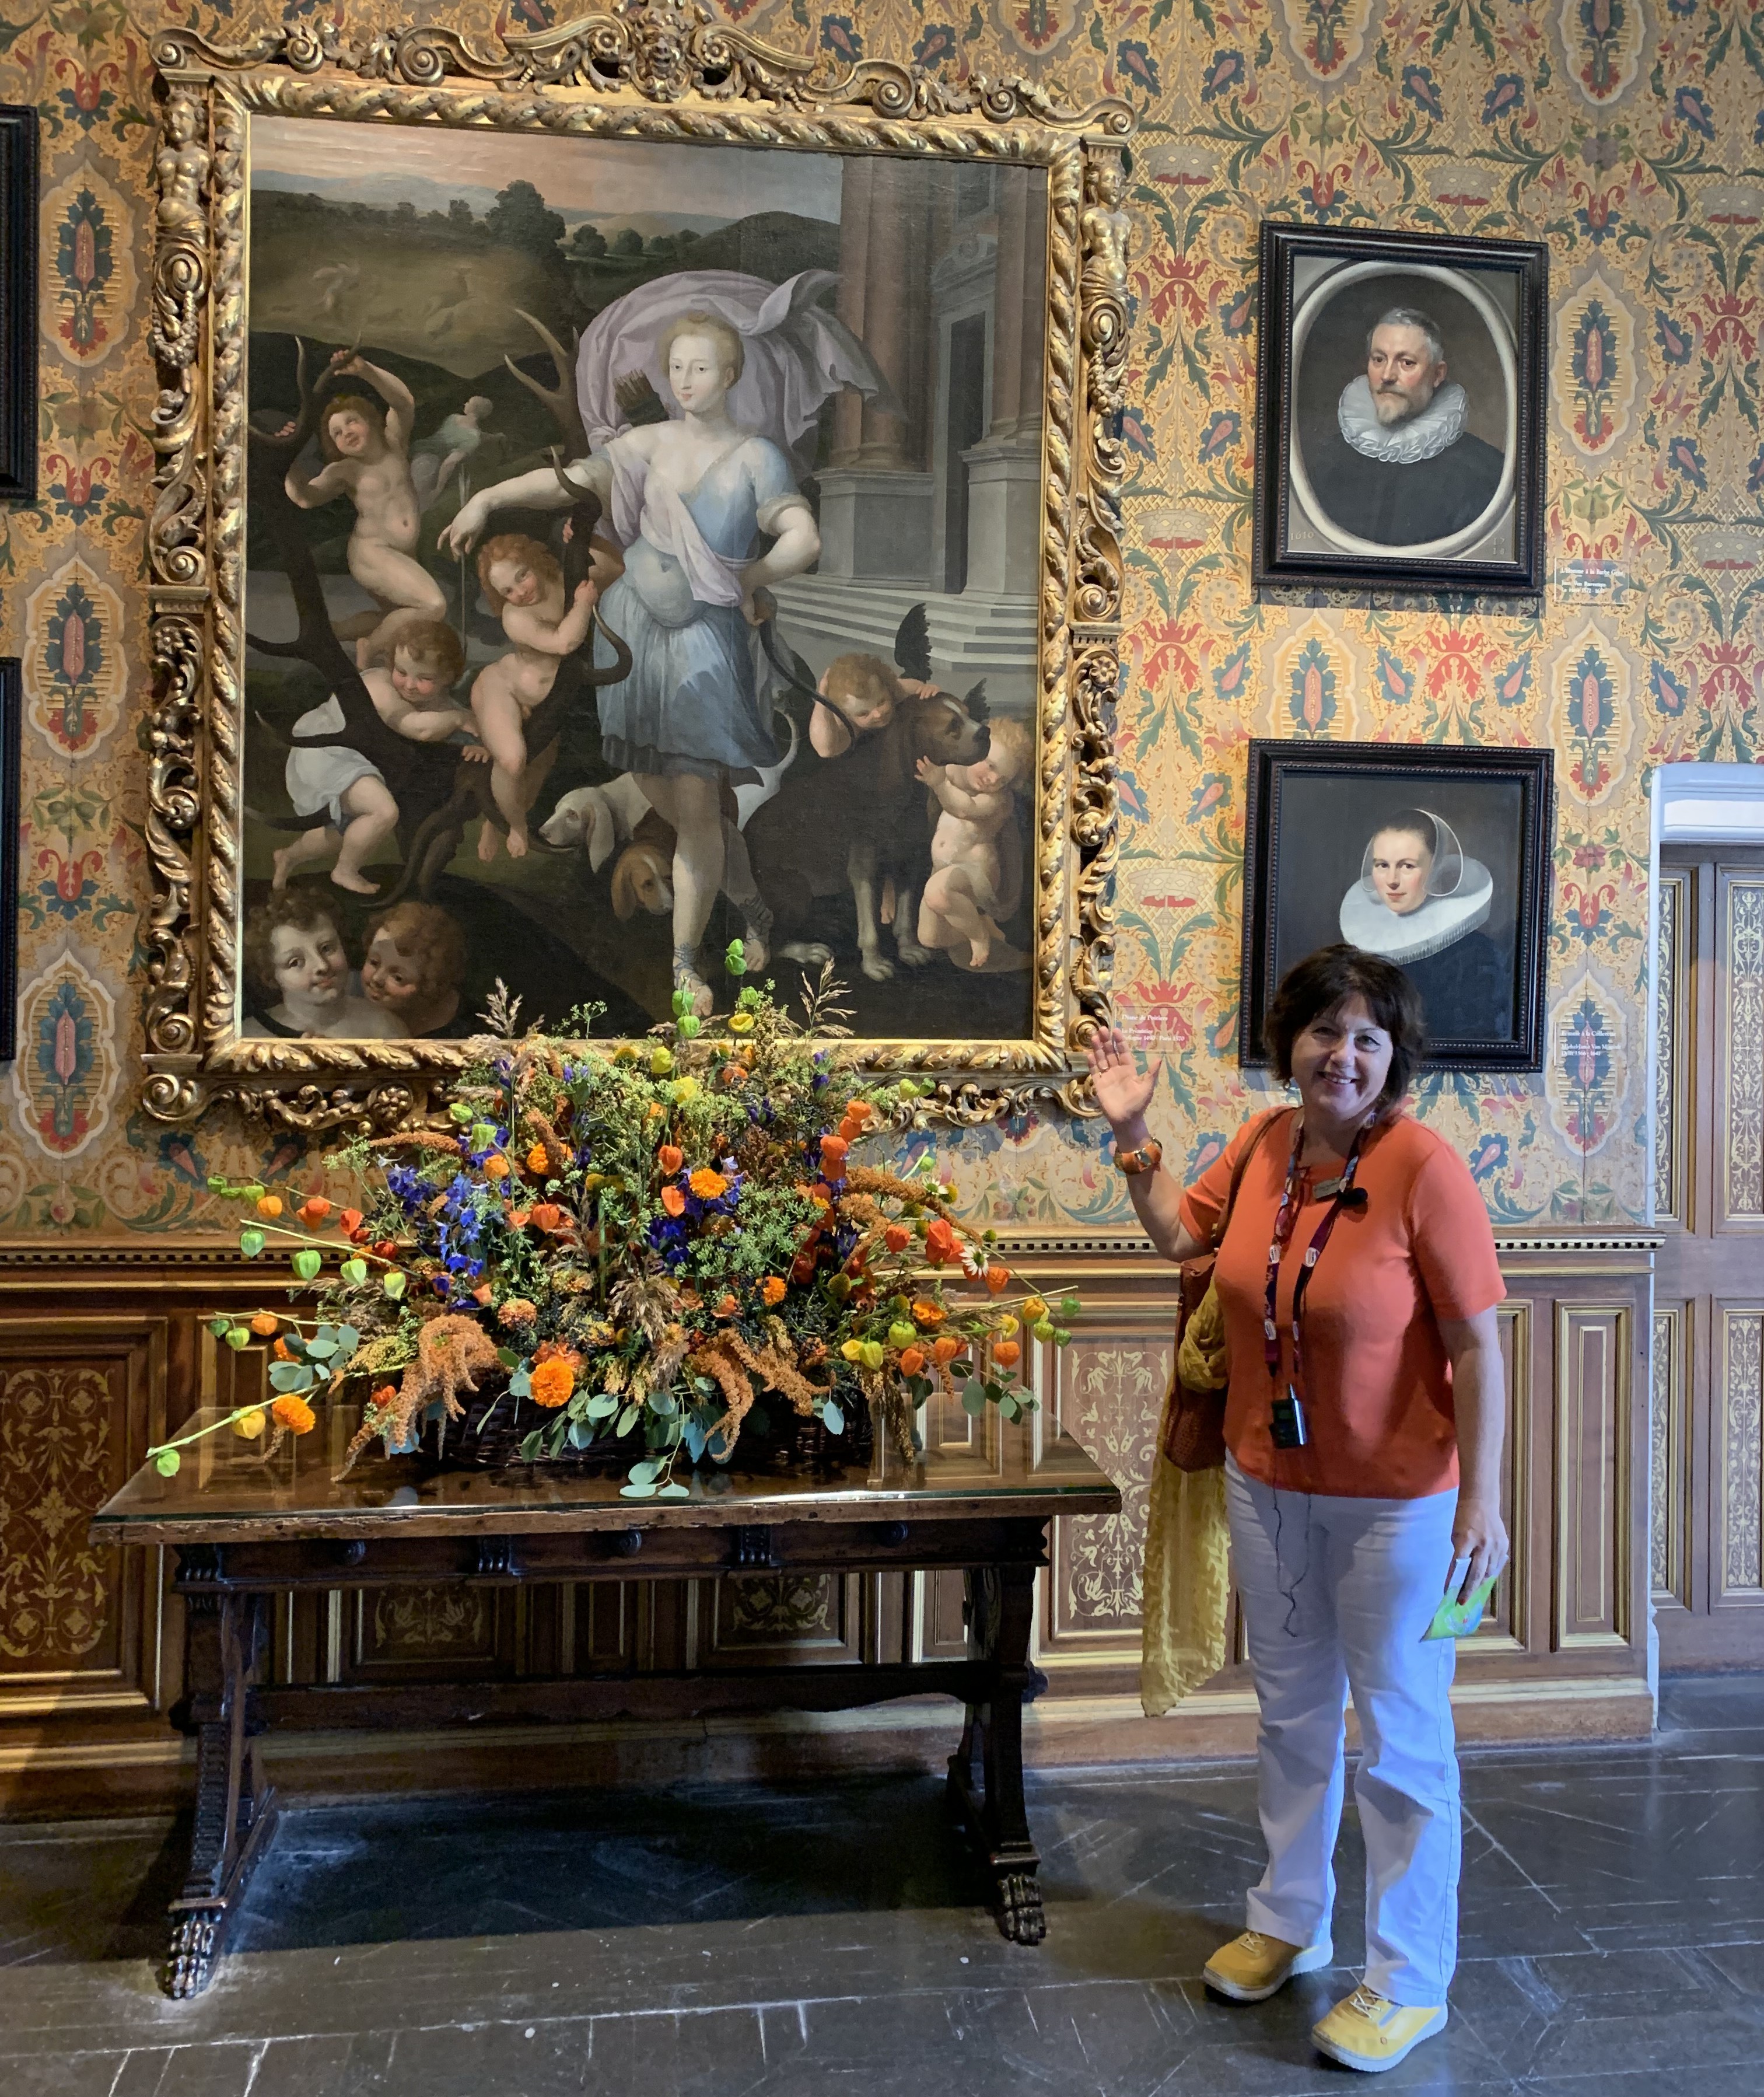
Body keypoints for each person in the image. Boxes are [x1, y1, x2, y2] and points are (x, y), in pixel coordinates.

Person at [1086, 944, 1508, 2075]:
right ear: (1291, 1043)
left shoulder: (1423, 1167)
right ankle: (1287, 1919)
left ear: (1393, 1057)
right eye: (1325, 1031)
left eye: (1368, 1037)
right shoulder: (1264, 1145)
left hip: (1399, 1508)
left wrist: (1482, 1498)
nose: (1343, 1054)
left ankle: (1407, 1980)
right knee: (1292, 1716)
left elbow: (1477, 1345)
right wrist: (1132, 1132)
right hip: (1267, 1482)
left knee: (1402, 1739)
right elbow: (1182, 1237)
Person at [443, 310, 821, 1015]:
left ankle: (684, 967)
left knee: (697, 808)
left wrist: (749, 577)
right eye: (676, 367)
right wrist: (488, 500)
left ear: (730, 374)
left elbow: (803, 537)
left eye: (701, 367)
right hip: (635, 637)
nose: (686, 380)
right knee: (678, 808)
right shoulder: (647, 443)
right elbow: (566, 483)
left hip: (706, 643)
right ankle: (751, 906)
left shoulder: (756, 456)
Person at [273, 618, 474, 895]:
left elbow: (464, 720)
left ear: (448, 678)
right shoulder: (379, 686)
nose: (410, 685)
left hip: (353, 757)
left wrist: (477, 741)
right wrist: (459, 719)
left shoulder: (436, 698)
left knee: (346, 831)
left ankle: (288, 857)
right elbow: (420, 728)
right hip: (327, 752)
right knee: (383, 812)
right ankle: (345, 871)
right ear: (392, 664)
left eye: (425, 679)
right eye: (401, 672)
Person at [284, 355, 447, 659]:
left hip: (402, 553)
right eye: (336, 432)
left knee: (395, 616)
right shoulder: (346, 470)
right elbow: (305, 498)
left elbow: (404, 403)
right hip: (372, 553)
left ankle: (334, 632)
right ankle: (369, 648)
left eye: (351, 421)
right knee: (432, 605)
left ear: (371, 420)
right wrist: (289, 461)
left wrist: (368, 371)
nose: (345, 432)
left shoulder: (395, 443)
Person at [1301, 306, 1504, 547]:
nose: (1387, 375)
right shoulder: (1328, 459)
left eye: (1407, 363)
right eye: (1379, 360)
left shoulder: (1483, 471)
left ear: (1438, 375)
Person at [467, 534, 598, 861]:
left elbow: (615, 566)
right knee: (512, 760)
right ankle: (515, 826)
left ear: (534, 561)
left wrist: (589, 537)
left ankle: (493, 821)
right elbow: (564, 644)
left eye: (522, 576)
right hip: (503, 689)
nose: (520, 592)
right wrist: (584, 605)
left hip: (548, 704)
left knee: (535, 772)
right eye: (507, 591)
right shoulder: (515, 617)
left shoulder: (564, 581)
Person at [1338, 808, 1511, 1041]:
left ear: (1435, 867)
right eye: (1382, 865)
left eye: (1407, 866)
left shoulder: (1476, 954)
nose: (1392, 881)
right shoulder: (1358, 946)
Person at [916, 717, 1032, 970]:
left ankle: (979, 936)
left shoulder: (997, 801)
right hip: (943, 870)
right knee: (929, 938)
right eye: (990, 765)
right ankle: (982, 925)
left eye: (1003, 779)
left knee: (937, 893)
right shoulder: (954, 770)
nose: (993, 779)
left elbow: (964, 808)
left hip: (976, 875)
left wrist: (939, 784)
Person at [242, 890, 405, 1038]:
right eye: (296, 962)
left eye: (327, 948)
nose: (322, 966)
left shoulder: (383, 1027)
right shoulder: (252, 1035)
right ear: (271, 977)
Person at [360, 901, 467, 1037]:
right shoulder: (350, 996)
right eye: (374, 962)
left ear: (428, 986)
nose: (377, 979)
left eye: (398, 978)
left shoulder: (455, 1033)